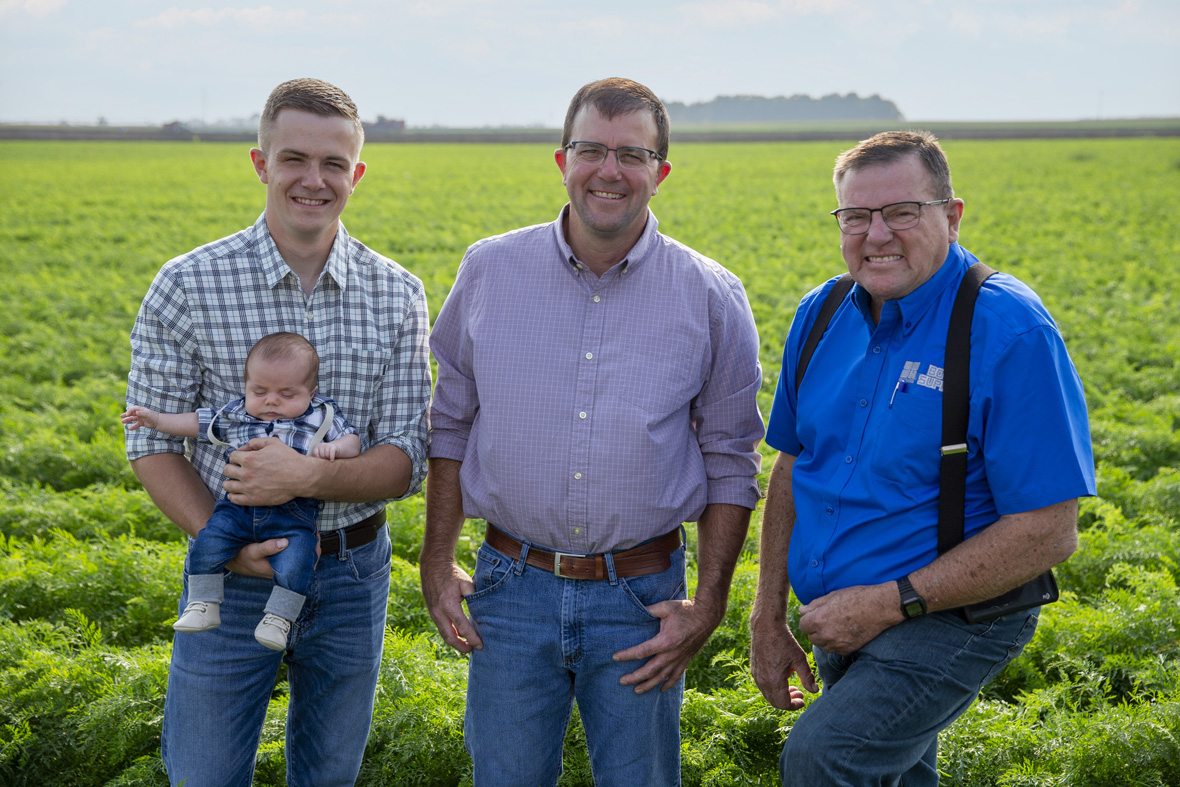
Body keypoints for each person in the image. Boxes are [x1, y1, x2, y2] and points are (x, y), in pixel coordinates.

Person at [422, 77, 764, 785]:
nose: (609, 171)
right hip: (509, 591)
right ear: (562, 160)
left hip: (641, 600)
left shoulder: (710, 293)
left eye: (632, 154)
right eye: (591, 149)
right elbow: (450, 422)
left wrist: (708, 605)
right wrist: (435, 558)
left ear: (659, 173)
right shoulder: (490, 269)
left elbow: (731, 458)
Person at [749, 130, 1096, 786]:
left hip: (949, 612)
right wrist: (765, 615)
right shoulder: (821, 315)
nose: (876, 234)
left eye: (902, 212)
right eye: (856, 216)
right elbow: (792, 467)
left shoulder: (1007, 329)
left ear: (952, 215)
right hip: (838, 613)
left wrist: (886, 603)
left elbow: (1049, 531)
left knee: (826, 756)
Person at [125, 78, 430, 787]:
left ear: (355, 174)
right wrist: (230, 547)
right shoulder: (188, 283)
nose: (312, 180)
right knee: (203, 774)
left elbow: (406, 459)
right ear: (261, 163)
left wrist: (312, 477)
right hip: (230, 576)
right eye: (293, 159)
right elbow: (152, 444)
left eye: (333, 165)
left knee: (328, 774)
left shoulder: (397, 293)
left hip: (352, 571)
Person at [122, 332, 361, 651]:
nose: (271, 401)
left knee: (298, 559)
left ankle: (279, 618)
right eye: (259, 391)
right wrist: (157, 419)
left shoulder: (321, 416)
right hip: (237, 506)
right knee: (209, 541)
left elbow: (353, 440)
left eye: (287, 393)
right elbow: (197, 423)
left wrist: (336, 450)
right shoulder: (238, 415)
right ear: (246, 388)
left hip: (294, 513)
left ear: (311, 392)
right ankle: (203, 603)